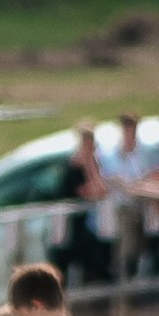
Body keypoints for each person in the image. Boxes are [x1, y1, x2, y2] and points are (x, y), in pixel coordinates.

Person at [100, 114, 159, 281]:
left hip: (144, 205)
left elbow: (147, 179)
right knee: (127, 242)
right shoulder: (111, 156)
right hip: (122, 207)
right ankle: (124, 276)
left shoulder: (143, 155)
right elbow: (119, 184)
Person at [54, 123, 112, 286]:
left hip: (85, 225)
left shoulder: (91, 165)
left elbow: (101, 190)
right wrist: (89, 167)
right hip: (70, 225)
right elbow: (91, 192)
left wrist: (91, 166)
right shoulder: (72, 167)